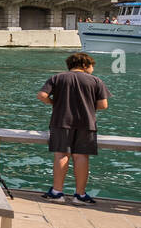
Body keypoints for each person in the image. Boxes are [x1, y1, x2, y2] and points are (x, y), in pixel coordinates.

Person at [37, 52, 111, 203]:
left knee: (61, 155)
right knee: (82, 156)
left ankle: (57, 192)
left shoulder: (57, 78)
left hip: (61, 121)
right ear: (84, 65)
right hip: (87, 123)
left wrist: (54, 104)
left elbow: (42, 95)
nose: (93, 69)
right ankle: (80, 195)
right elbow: (103, 105)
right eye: (92, 66)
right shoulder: (96, 81)